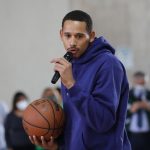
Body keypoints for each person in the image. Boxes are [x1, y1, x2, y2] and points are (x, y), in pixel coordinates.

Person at [29, 10, 131, 150]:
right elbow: (75, 121)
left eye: (79, 36)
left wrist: (72, 85)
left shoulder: (109, 65)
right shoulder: (70, 66)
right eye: (68, 35)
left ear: (91, 36)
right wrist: (58, 145)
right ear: (61, 35)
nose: (72, 42)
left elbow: (103, 122)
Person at [126, 71, 150, 150]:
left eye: (142, 78)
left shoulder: (148, 94)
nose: (139, 80)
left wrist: (146, 106)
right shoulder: (128, 94)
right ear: (134, 80)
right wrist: (131, 110)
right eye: (137, 78)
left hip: (147, 134)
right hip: (132, 134)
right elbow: (123, 114)